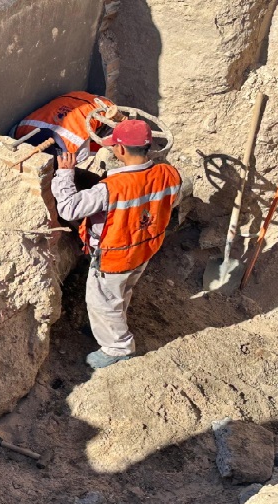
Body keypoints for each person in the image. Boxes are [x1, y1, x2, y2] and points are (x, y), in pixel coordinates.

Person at [50, 120, 182, 368]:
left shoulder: (112, 188)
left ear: (120, 150)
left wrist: (66, 173)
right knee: (122, 292)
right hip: (144, 248)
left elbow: (68, 208)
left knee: (103, 301)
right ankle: (109, 329)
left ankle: (118, 348)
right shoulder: (168, 173)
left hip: (115, 256)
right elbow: (169, 203)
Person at [11, 91, 123, 162]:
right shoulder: (75, 141)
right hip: (75, 99)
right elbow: (80, 162)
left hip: (20, 130)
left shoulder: (78, 95)